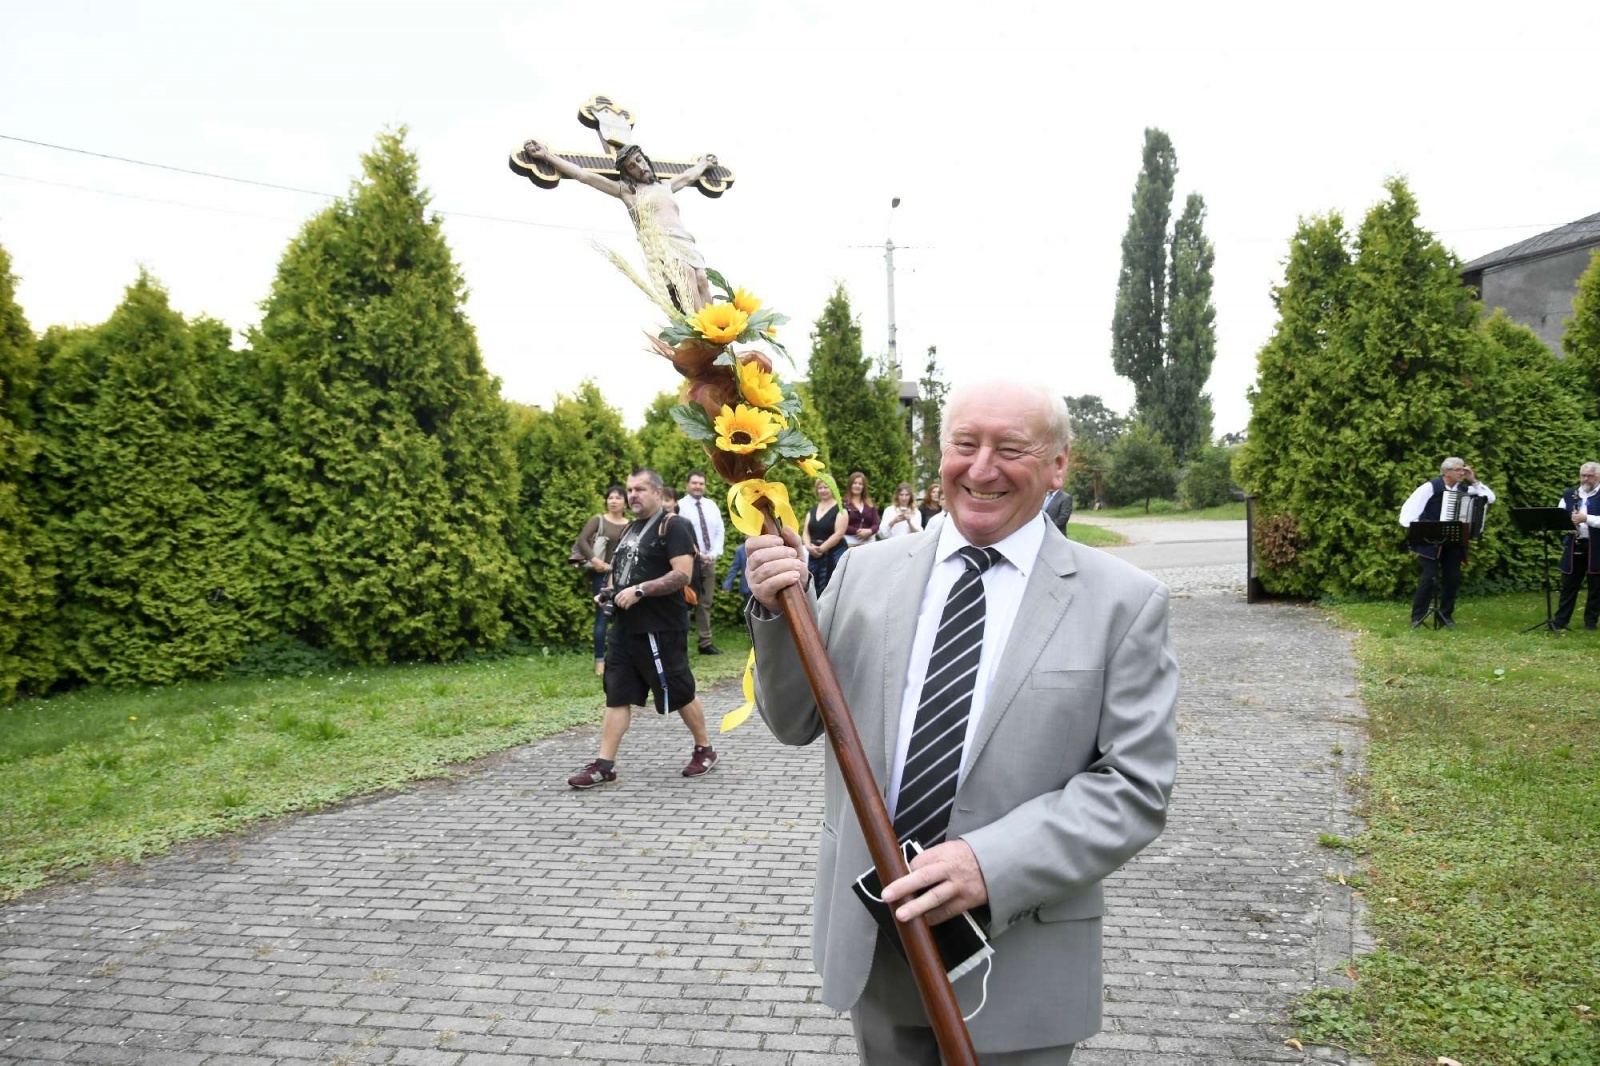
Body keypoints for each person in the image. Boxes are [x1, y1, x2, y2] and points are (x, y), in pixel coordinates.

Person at [743, 380, 1179, 1063]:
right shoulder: (862, 574)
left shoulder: (1123, 602)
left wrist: (990, 864)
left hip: (1020, 953)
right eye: (965, 444)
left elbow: (1135, 786)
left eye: (1011, 449)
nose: (981, 468)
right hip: (879, 940)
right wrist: (776, 613)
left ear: (1058, 464)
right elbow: (796, 719)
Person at [567, 469, 718, 789]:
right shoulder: (630, 528)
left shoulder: (674, 525)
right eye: (630, 489)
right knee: (617, 693)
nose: (632, 495)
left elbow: (682, 574)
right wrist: (608, 592)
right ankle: (604, 765)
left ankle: (705, 749)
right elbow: (619, 569)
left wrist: (640, 590)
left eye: (640, 489)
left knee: (678, 690)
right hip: (625, 628)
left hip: (661, 627)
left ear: (658, 493)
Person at [520, 140, 718, 315]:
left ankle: (715, 329)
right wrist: (546, 155)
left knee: (702, 279)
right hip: (661, 243)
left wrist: (704, 163)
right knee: (685, 275)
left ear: (646, 160)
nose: (639, 167)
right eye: (632, 166)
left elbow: (689, 175)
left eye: (639, 160)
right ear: (627, 173)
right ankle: (700, 330)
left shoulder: (665, 185)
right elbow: (584, 175)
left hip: (684, 239)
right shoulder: (628, 192)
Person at [1398, 456, 1497, 628]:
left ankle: (1445, 615)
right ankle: (1418, 616)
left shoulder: (1465, 489)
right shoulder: (1430, 487)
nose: (1461, 473)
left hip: (1453, 539)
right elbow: (1407, 513)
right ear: (1446, 472)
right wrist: (1422, 528)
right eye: (1458, 470)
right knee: (1429, 577)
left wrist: (1473, 481)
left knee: (1452, 577)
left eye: (1463, 470)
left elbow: (1489, 498)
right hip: (1430, 539)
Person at [575, 484, 632, 675]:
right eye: (610, 498)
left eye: (618, 498)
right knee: (602, 616)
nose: (613, 501)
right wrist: (595, 560)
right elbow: (582, 540)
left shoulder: (631, 524)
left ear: (625, 503)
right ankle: (599, 661)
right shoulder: (598, 520)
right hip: (602, 575)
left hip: (624, 576)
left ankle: (624, 658)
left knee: (626, 617)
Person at [682, 470, 726, 655]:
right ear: (687, 485)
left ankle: (705, 643)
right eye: (694, 483)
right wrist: (697, 554)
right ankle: (679, 644)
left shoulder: (711, 505)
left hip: (709, 561)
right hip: (688, 562)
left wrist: (713, 554)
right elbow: (680, 535)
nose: (698, 486)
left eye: (701, 483)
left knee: (705, 603)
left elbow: (719, 531)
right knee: (684, 602)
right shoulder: (680, 506)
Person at [1554, 460, 1600, 631]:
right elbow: (1560, 514)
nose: (1585, 479)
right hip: (1575, 543)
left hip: (1597, 545)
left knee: (1596, 585)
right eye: (1583, 475)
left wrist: (1586, 519)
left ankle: (1590, 622)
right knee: (1568, 584)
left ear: (1598, 476)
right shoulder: (1570, 494)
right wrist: (1566, 523)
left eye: (1590, 476)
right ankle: (1560, 621)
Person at [804, 479, 849, 595]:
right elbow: (806, 532)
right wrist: (808, 547)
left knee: (832, 588)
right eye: (820, 488)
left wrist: (822, 548)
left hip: (833, 555)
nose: (823, 490)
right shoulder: (812, 510)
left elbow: (839, 533)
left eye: (826, 487)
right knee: (813, 588)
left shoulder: (841, 509)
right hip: (814, 555)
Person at [842, 471, 880, 547]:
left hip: (869, 544)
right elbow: (841, 525)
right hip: (849, 544)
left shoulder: (870, 504)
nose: (857, 486)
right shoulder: (843, 504)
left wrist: (870, 531)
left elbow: (876, 524)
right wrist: (858, 532)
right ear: (850, 485)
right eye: (855, 483)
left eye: (860, 484)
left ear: (863, 487)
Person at [722, 539, 751, 614]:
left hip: (765, 587)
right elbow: (734, 569)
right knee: (750, 614)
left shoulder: (765, 548)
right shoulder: (740, 550)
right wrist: (727, 585)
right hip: (748, 589)